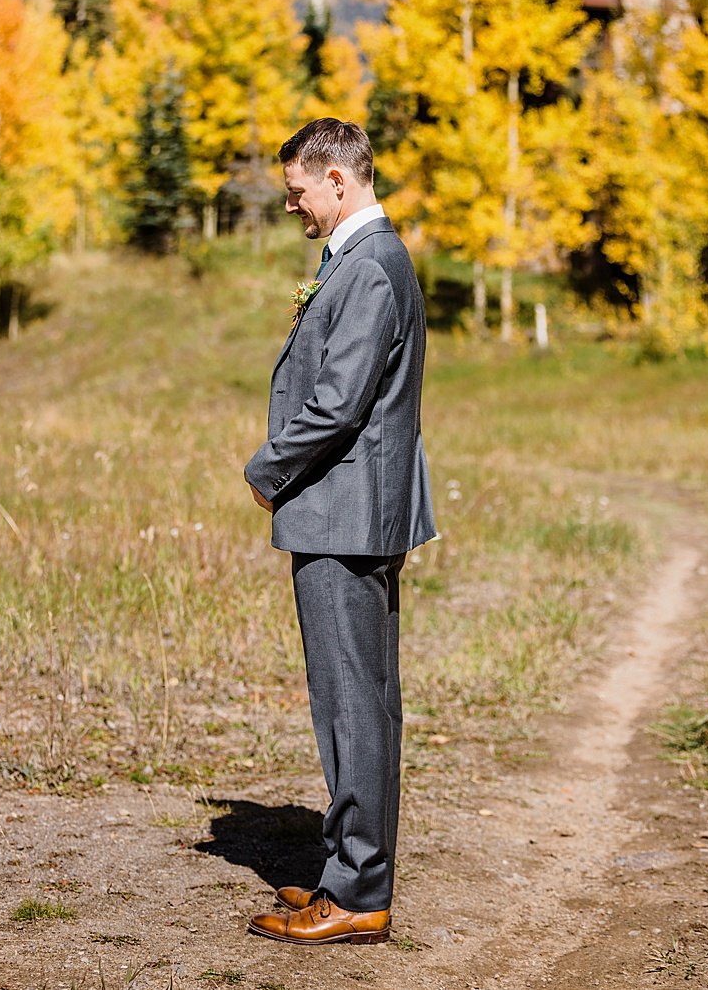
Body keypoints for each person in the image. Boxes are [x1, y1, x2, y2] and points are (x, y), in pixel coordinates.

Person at [243, 117, 437, 942]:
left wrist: (267, 471)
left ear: (337, 181)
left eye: (297, 192)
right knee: (360, 698)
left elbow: (337, 403)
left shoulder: (372, 268)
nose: (293, 208)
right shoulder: (364, 262)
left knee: (350, 702)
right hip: (348, 512)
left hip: (342, 514)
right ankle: (348, 871)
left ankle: (357, 895)